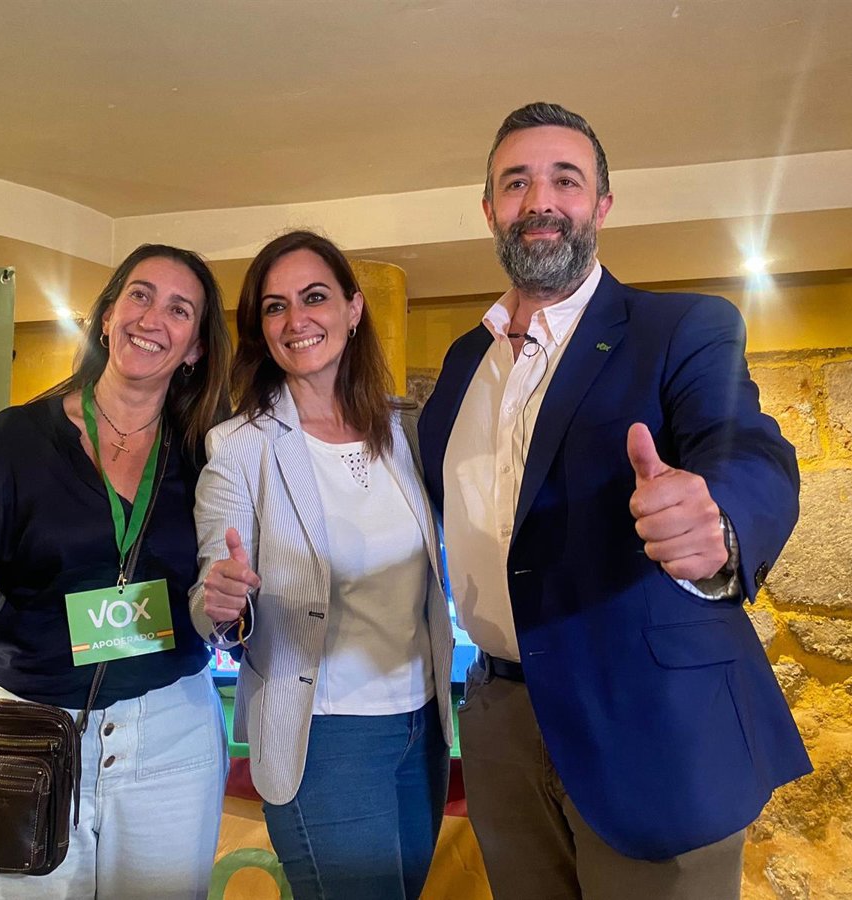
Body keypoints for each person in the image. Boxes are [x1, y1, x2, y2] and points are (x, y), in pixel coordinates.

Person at [417, 102, 812, 900]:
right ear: (489, 208)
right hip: (499, 717)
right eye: (516, 182)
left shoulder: (681, 327)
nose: (540, 201)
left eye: (565, 180)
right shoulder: (462, 364)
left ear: (601, 204)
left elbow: (747, 447)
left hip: (647, 719)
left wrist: (721, 521)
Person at [0, 244, 233, 900]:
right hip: (25, 733)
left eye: (179, 309)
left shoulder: (210, 453)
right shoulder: (17, 439)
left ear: (195, 347)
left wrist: (231, 601)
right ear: (107, 317)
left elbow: (228, 598)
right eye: (139, 295)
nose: (152, 317)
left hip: (169, 737)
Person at [189, 230, 454, 900]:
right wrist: (222, 603)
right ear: (260, 330)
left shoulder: (402, 431)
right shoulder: (240, 446)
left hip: (422, 726)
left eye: (314, 297)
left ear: (353, 308)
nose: (296, 319)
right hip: (324, 735)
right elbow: (211, 595)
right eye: (274, 307)